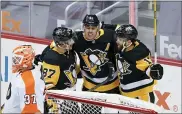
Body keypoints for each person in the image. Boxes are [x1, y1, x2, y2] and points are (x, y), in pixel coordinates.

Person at [113, 24, 163, 103]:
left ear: (128, 42)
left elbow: (147, 67)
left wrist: (153, 71)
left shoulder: (139, 52)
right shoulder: (122, 47)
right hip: (126, 93)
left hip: (141, 96)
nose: (117, 41)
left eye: (120, 39)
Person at [34, 27, 79, 113]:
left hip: (71, 98)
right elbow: (49, 87)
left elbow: (71, 71)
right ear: (62, 44)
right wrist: (54, 107)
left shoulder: (69, 51)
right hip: (60, 101)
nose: (72, 42)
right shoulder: (52, 59)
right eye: (70, 41)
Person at [73, 14, 120, 94]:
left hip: (113, 86)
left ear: (98, 28)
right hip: (89, 86)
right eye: (88, 28)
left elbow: (123, 30)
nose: (90, 31)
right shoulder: (77, 39)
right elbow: (59, 43)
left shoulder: (110, 35)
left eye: (93, 28)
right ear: (83, 27)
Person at [1, 45, 45, 113]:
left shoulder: (27, 82)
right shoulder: (23, 72)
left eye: (17, 59)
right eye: (14, 59)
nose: (14, 62)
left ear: (26, 60)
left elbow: (31, 111)